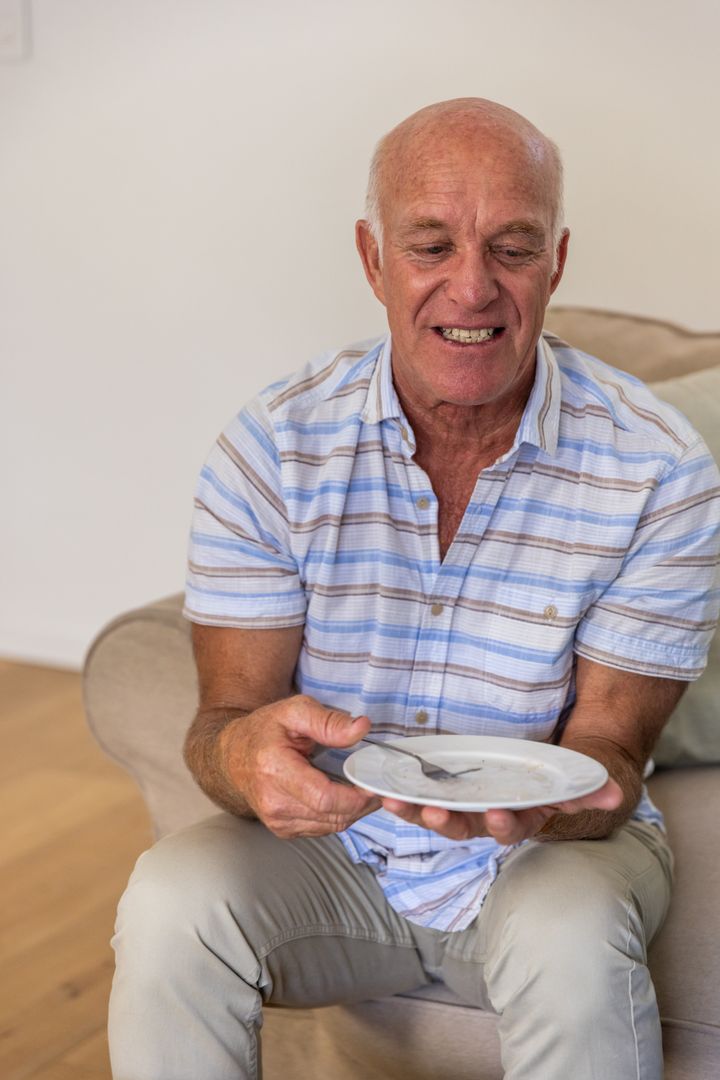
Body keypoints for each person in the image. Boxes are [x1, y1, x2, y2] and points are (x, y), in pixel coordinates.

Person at [108, 98, 720, 1080]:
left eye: (513, 249)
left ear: (556, 262)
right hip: (342, 853)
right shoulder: (271, 448)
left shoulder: (658, 468)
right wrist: (244, 754)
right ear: (373, 257)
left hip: (551, 859)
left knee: (569, 932)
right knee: (169, 901)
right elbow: (224, 723)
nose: (471, 288)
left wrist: (545, 806)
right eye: (431, 245)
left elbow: (610, 752)